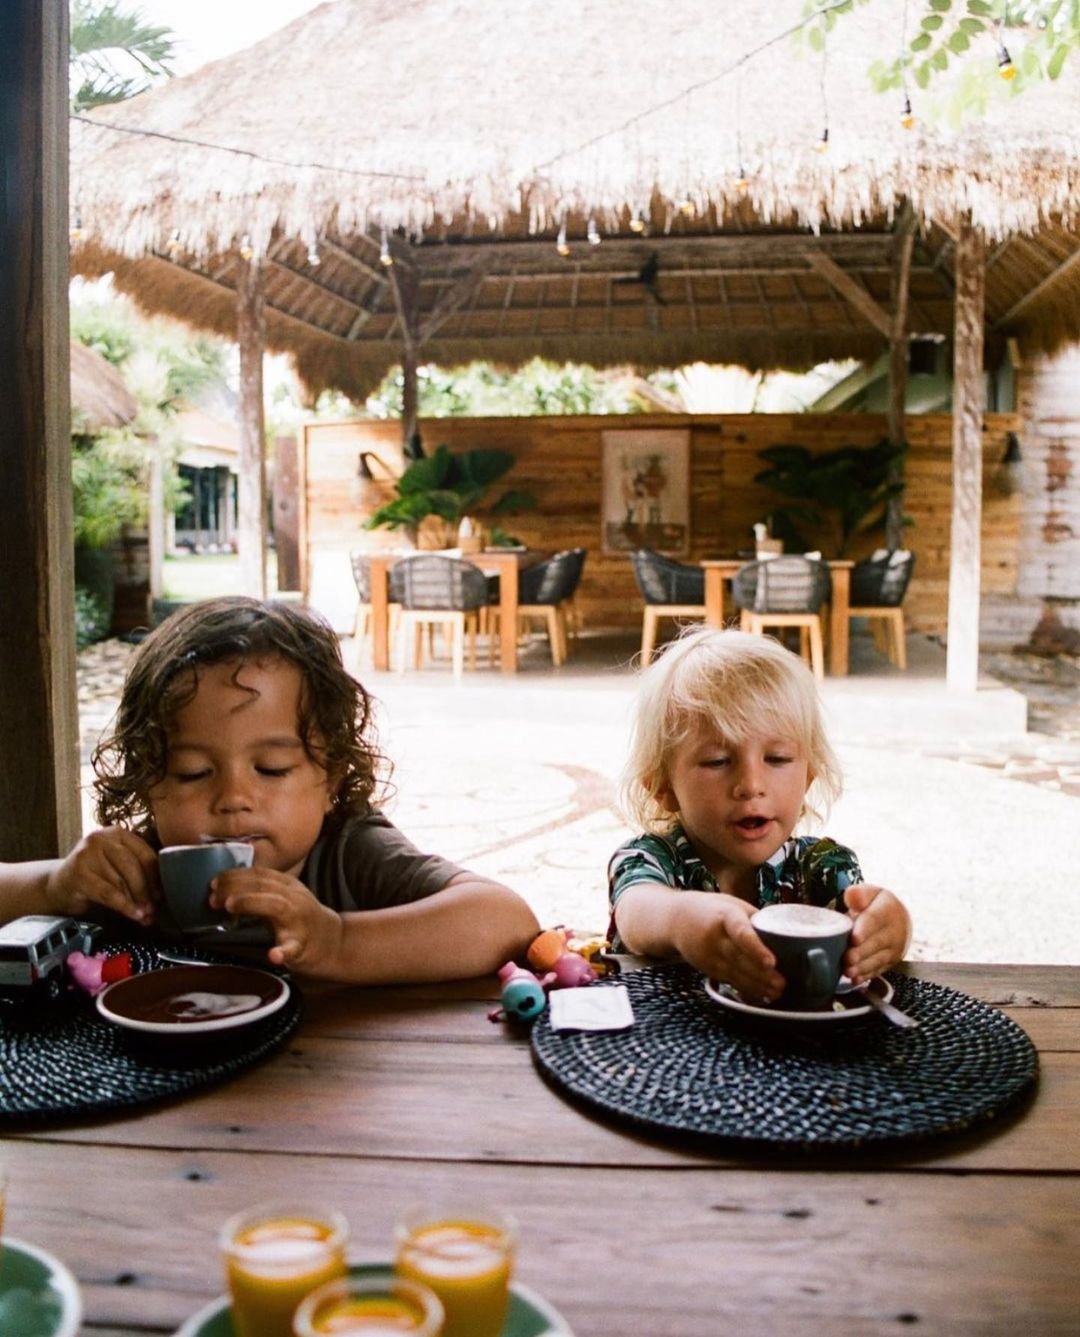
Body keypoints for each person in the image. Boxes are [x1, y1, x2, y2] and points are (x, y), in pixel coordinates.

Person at [0, 598, 538, 983]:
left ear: (329, 777)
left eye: (273, 768)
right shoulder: (139, 872)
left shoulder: (347, 854)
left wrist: (338, 942)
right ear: (148, 781)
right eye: (191, 772)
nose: (234, 797)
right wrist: (55, 884)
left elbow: (505, 918)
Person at [608, 626, 911, 1005]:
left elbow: (862, 937)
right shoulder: (649, 859)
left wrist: (891, 930)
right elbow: (636, 912)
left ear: (807, 779)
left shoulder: (822, 867)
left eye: (777, 759)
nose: (751, 784)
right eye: (718, 761)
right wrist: (685, 921)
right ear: (663, 789)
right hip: (660, 1048)